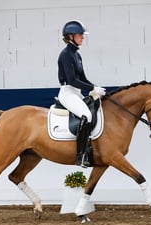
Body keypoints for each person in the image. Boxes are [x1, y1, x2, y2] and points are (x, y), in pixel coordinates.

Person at [57, 20, 106, 168]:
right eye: (80, 35)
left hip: (76, 93)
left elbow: (82, 78)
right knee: (87, 116)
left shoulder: (77, 54)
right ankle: (81, 155)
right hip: (67, 93)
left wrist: (95, 87)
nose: (83, 38)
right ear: (71, 36)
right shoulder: (66, 55)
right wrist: (91, 87)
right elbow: (72, 80)